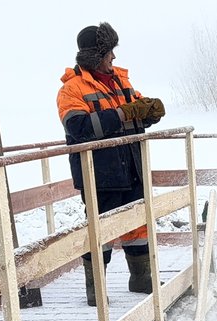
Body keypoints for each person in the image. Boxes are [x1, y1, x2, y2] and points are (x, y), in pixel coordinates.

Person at [57, 22, 165, 306]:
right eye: (108, 52)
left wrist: (150, 111)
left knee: (138, 226)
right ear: (95, 56)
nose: (113, 57)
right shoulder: (71, 90)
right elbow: (79, 128)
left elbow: (135, 112)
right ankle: (95, 290)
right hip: (100, 174)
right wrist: (123, 113)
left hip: (132, 167)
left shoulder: (120, 80)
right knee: (100, 231)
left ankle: (141, 278)